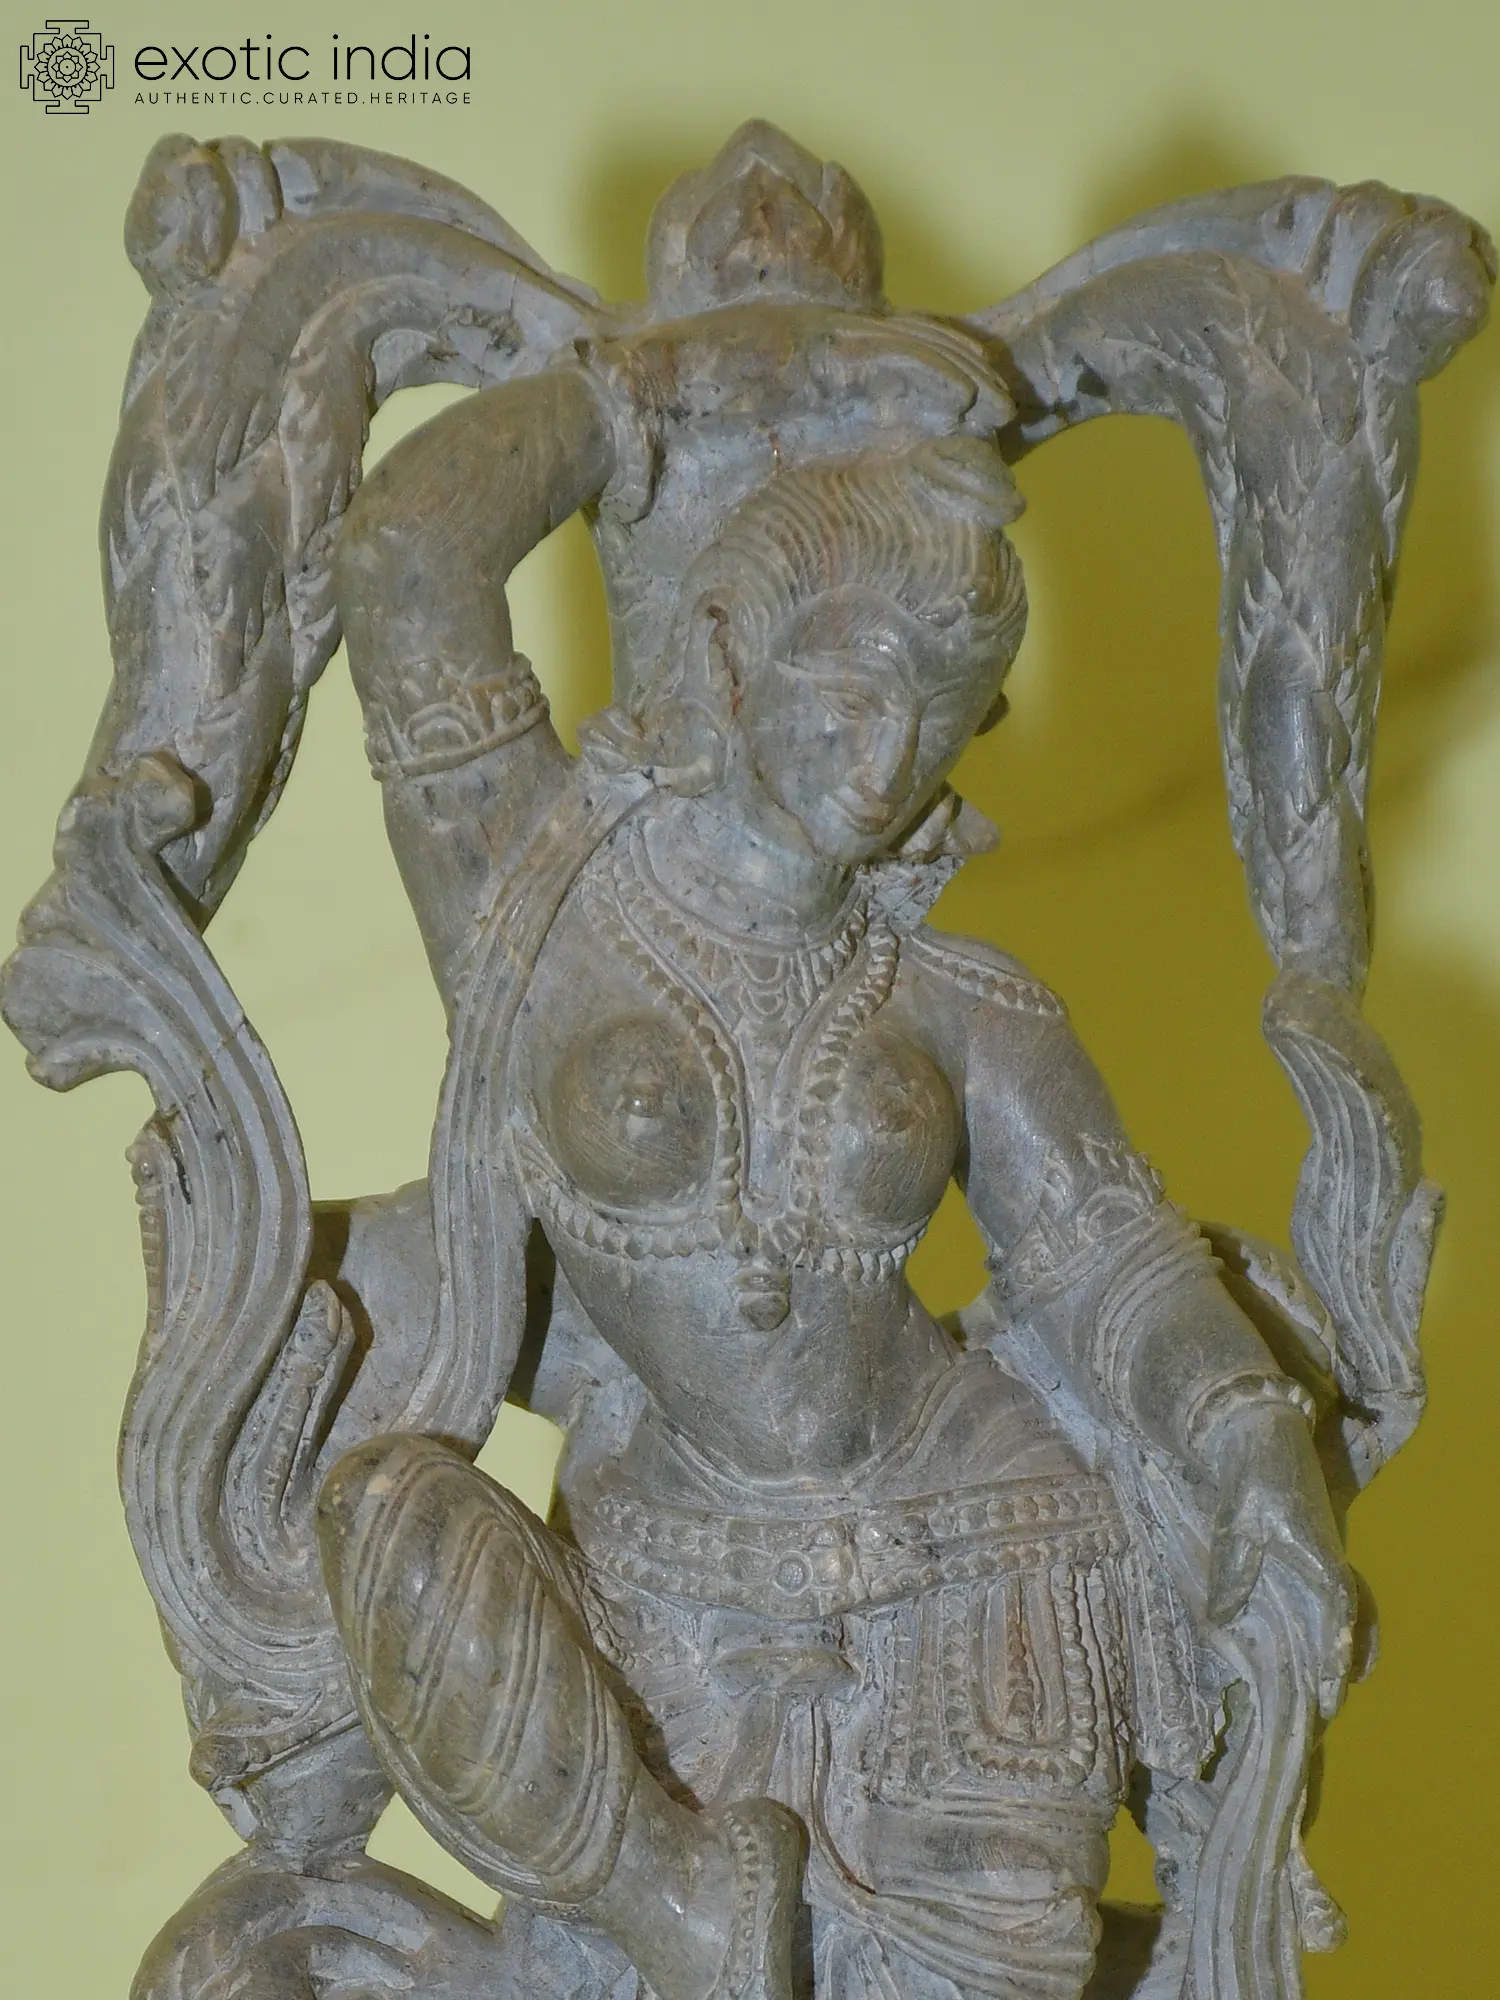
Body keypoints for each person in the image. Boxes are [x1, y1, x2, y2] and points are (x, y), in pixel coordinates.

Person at [311, 391, 1352, 2000]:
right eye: (853, 692)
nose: (885, 763)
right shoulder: (535, 898)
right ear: (730, 653)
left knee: (991, 1971)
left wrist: (1248, 1440)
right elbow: (405, 564)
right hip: (667, 1549)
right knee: (391, 1522)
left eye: (942, 717)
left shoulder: (962, 1000)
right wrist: (624, 399)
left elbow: (1114, 1267)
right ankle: (668, 1904)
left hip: (978, 1541)